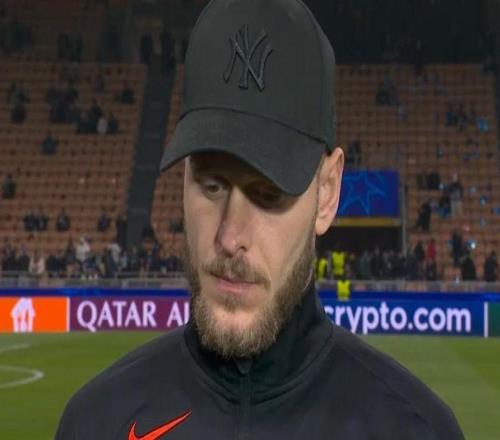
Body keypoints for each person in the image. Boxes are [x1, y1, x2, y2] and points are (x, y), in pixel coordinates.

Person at [55, 1, 464, 439]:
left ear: (327, 193)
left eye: (268, 194)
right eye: (212, 185)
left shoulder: (414, 431)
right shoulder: (95, 422)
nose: (230, 237)